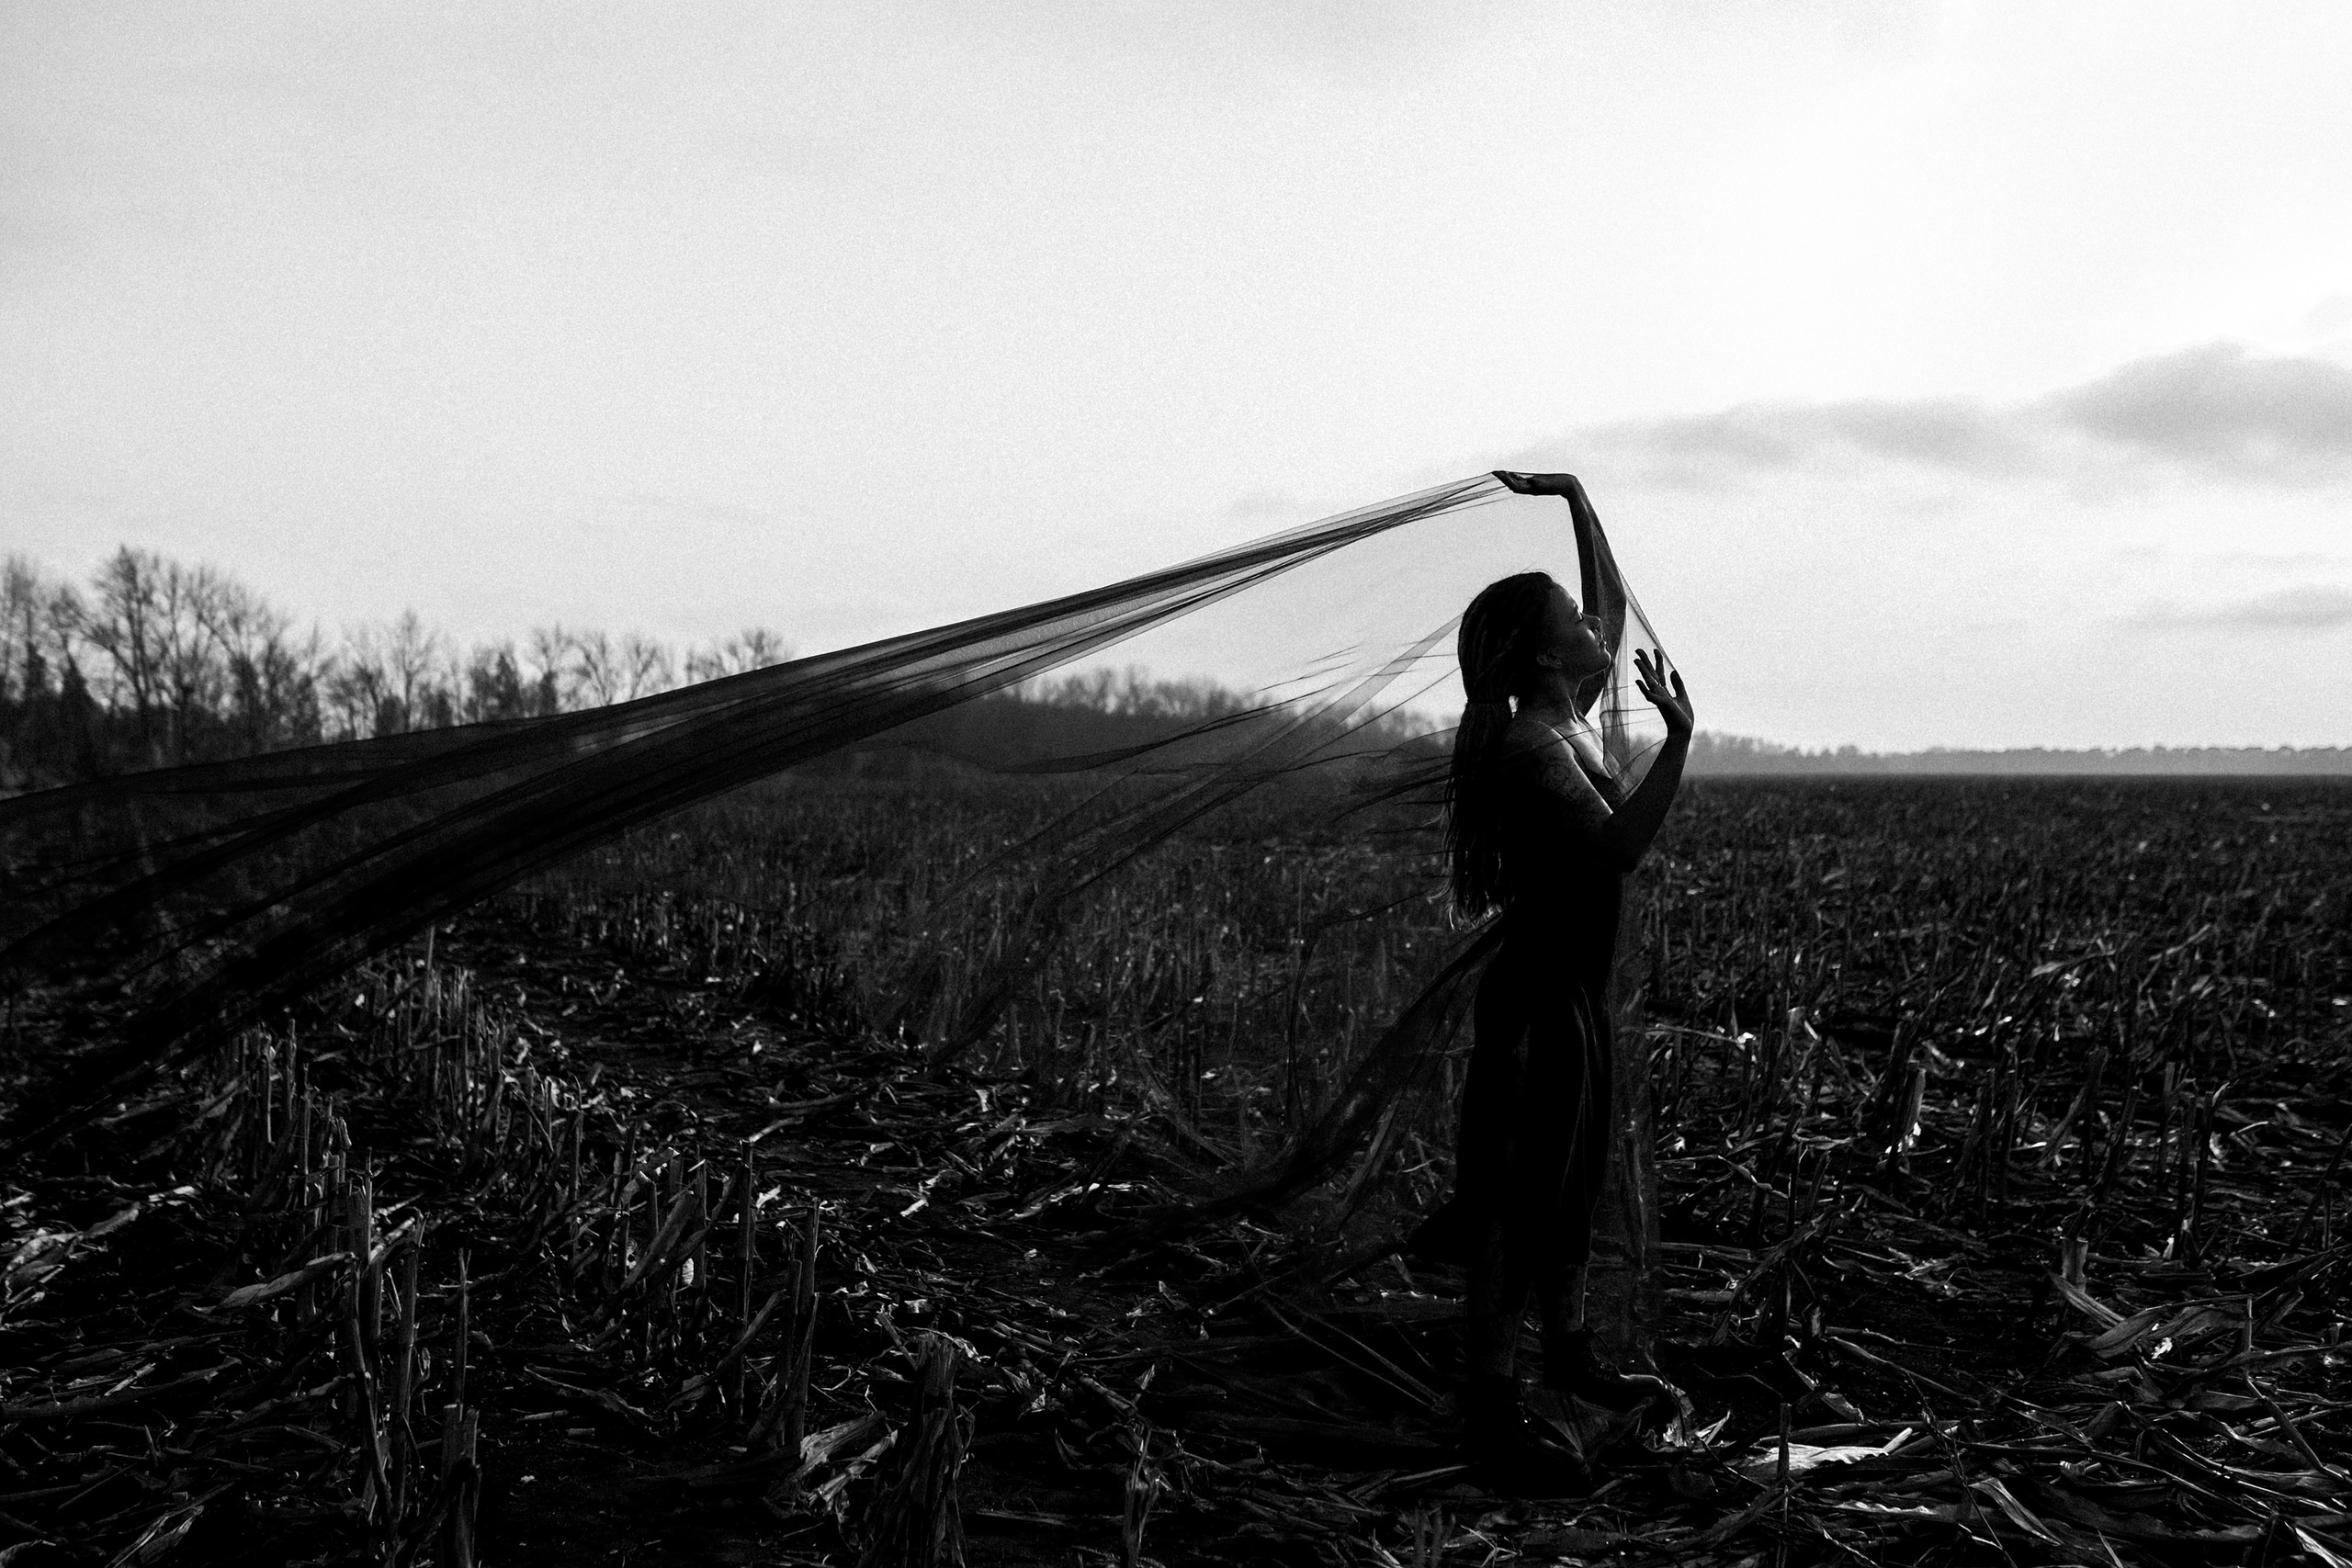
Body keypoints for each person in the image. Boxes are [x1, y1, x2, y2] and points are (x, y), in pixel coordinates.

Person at [1406, 470, 1693, 1481]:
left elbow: (1605, 603)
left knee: (1565, 1192)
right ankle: (1490, 1412)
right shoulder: (1533, 738)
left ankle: (1565, 1359)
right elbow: (1616, 848)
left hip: (1574, 996)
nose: (1594, 624)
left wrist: (1577, 501)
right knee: (1513, 1211)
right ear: (1539, 650)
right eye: (1569, 618)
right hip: (1535, 1006)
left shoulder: (1567, 703)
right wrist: (1679, 744)